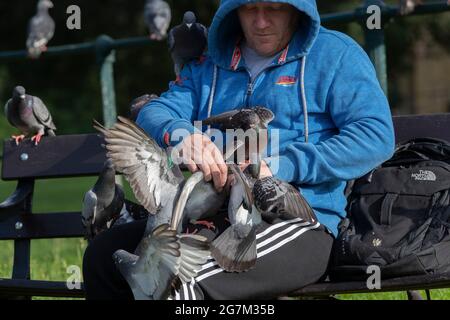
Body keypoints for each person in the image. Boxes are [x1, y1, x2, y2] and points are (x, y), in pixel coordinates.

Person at [83, 0, 395, 300]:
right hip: (212, 218)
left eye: (273, 8)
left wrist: (280, 166)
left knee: (178, 278)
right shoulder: (209, 63)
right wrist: (182, 135)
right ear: (233, 11)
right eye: (249, 9)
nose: (260, 22)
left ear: (297, 9)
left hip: (299, 223)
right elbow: (156, 112)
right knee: (102, 258)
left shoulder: (335, 55)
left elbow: (375, 135)